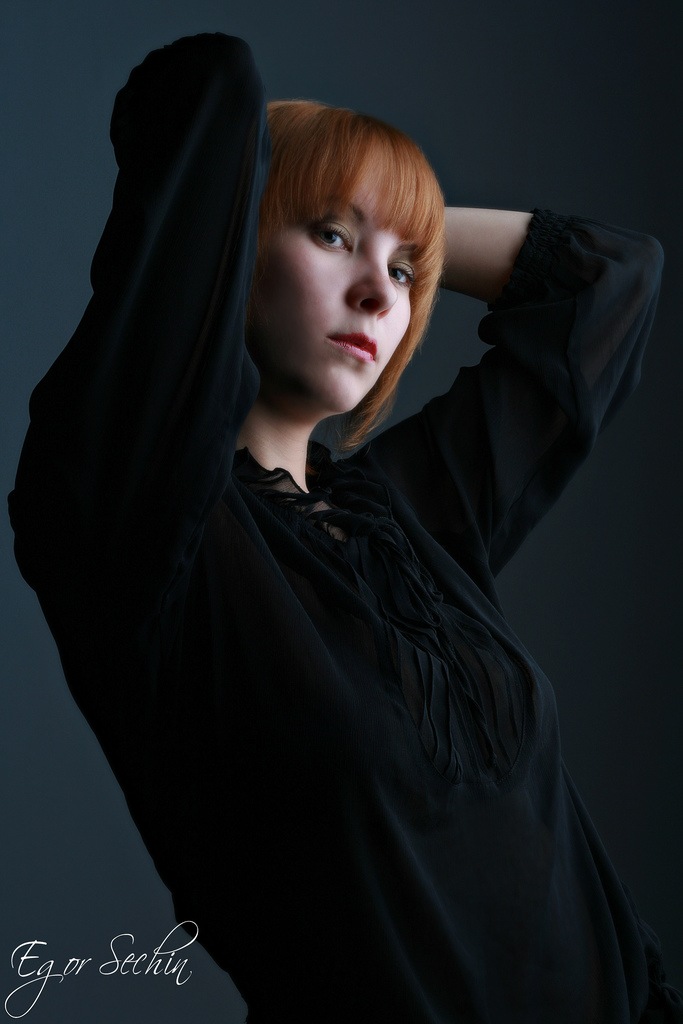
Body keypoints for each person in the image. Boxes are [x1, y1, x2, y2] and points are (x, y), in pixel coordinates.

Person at [8, 31, 681, 1024]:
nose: (378, 292)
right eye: (328, 235)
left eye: (404, 272)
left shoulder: (407, 513)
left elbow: (612, 280)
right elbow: (209, 89)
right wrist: (263, 207)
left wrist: (401, 225)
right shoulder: (144, 528)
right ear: (234, 240)